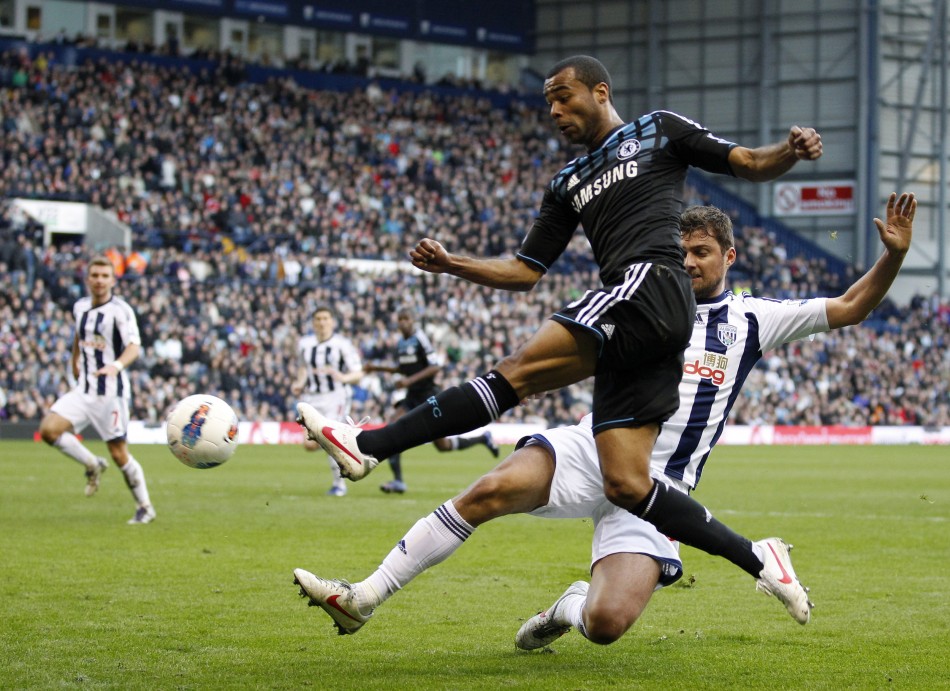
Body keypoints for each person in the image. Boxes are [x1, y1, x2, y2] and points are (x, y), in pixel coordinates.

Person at [292, 192, 915, 644]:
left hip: (664, 490)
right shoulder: (639, 299)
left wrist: (890, 259)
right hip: (594, 448)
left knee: (606, 625)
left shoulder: (755, 319)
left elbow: (853, 305)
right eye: (681, 252)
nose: (690, 262)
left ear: (729, 254)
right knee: (489, 490)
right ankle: (364, 597)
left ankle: (570, 607)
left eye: (702, 252)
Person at [297, 55, 823, 579]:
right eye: (548, 100)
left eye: (562, 96)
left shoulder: (659, 131)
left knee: (516, 370)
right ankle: (758, 558)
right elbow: (526, 271)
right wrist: (452, 264)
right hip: (642, 325)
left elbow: (751, 162)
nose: (553, 109)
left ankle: (368, 446)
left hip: (651, 285)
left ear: (600, 92)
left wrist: (790, 152)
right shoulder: (567, 182)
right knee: (627, 484)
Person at [38, 255, 155, 524]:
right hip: (85, 389)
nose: (100, 281)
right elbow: (80, 337)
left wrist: (115, 366)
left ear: (113, 280)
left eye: (105, 276)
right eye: (95, 276)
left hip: (111, 394)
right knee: (49, 429)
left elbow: (134, 347)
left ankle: (145, 507)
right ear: (87, 279)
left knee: (119, 453)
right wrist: (74, 361)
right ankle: (92, 464)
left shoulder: (121, 311)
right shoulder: (80, 307)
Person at [363, 308, 499, 494]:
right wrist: (377, 367)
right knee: (392, 426)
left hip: (428, 395)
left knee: (442, 446)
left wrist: (409, 381)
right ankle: (398, 481)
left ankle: (483, 438)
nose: (403, 322)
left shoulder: (420, 338)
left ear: (413, 320)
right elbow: (403, 369)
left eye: (406, 318)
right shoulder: (402, 343)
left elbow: (435, 367)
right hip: (412, 396)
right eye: (400, 319)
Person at [291, 305, 365, 497]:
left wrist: (343, 378)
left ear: (332, 321)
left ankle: (339, 485)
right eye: (318, 319)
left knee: (329, 437)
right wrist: (299, 383)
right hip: (312, 398)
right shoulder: (305, 344)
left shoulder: (342, 345)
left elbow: (358, 373)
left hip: (337, 397)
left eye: (325, 318)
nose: (322, 322)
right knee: (309, 445)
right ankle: (349, 448)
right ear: (313, 323)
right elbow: (302, 369)